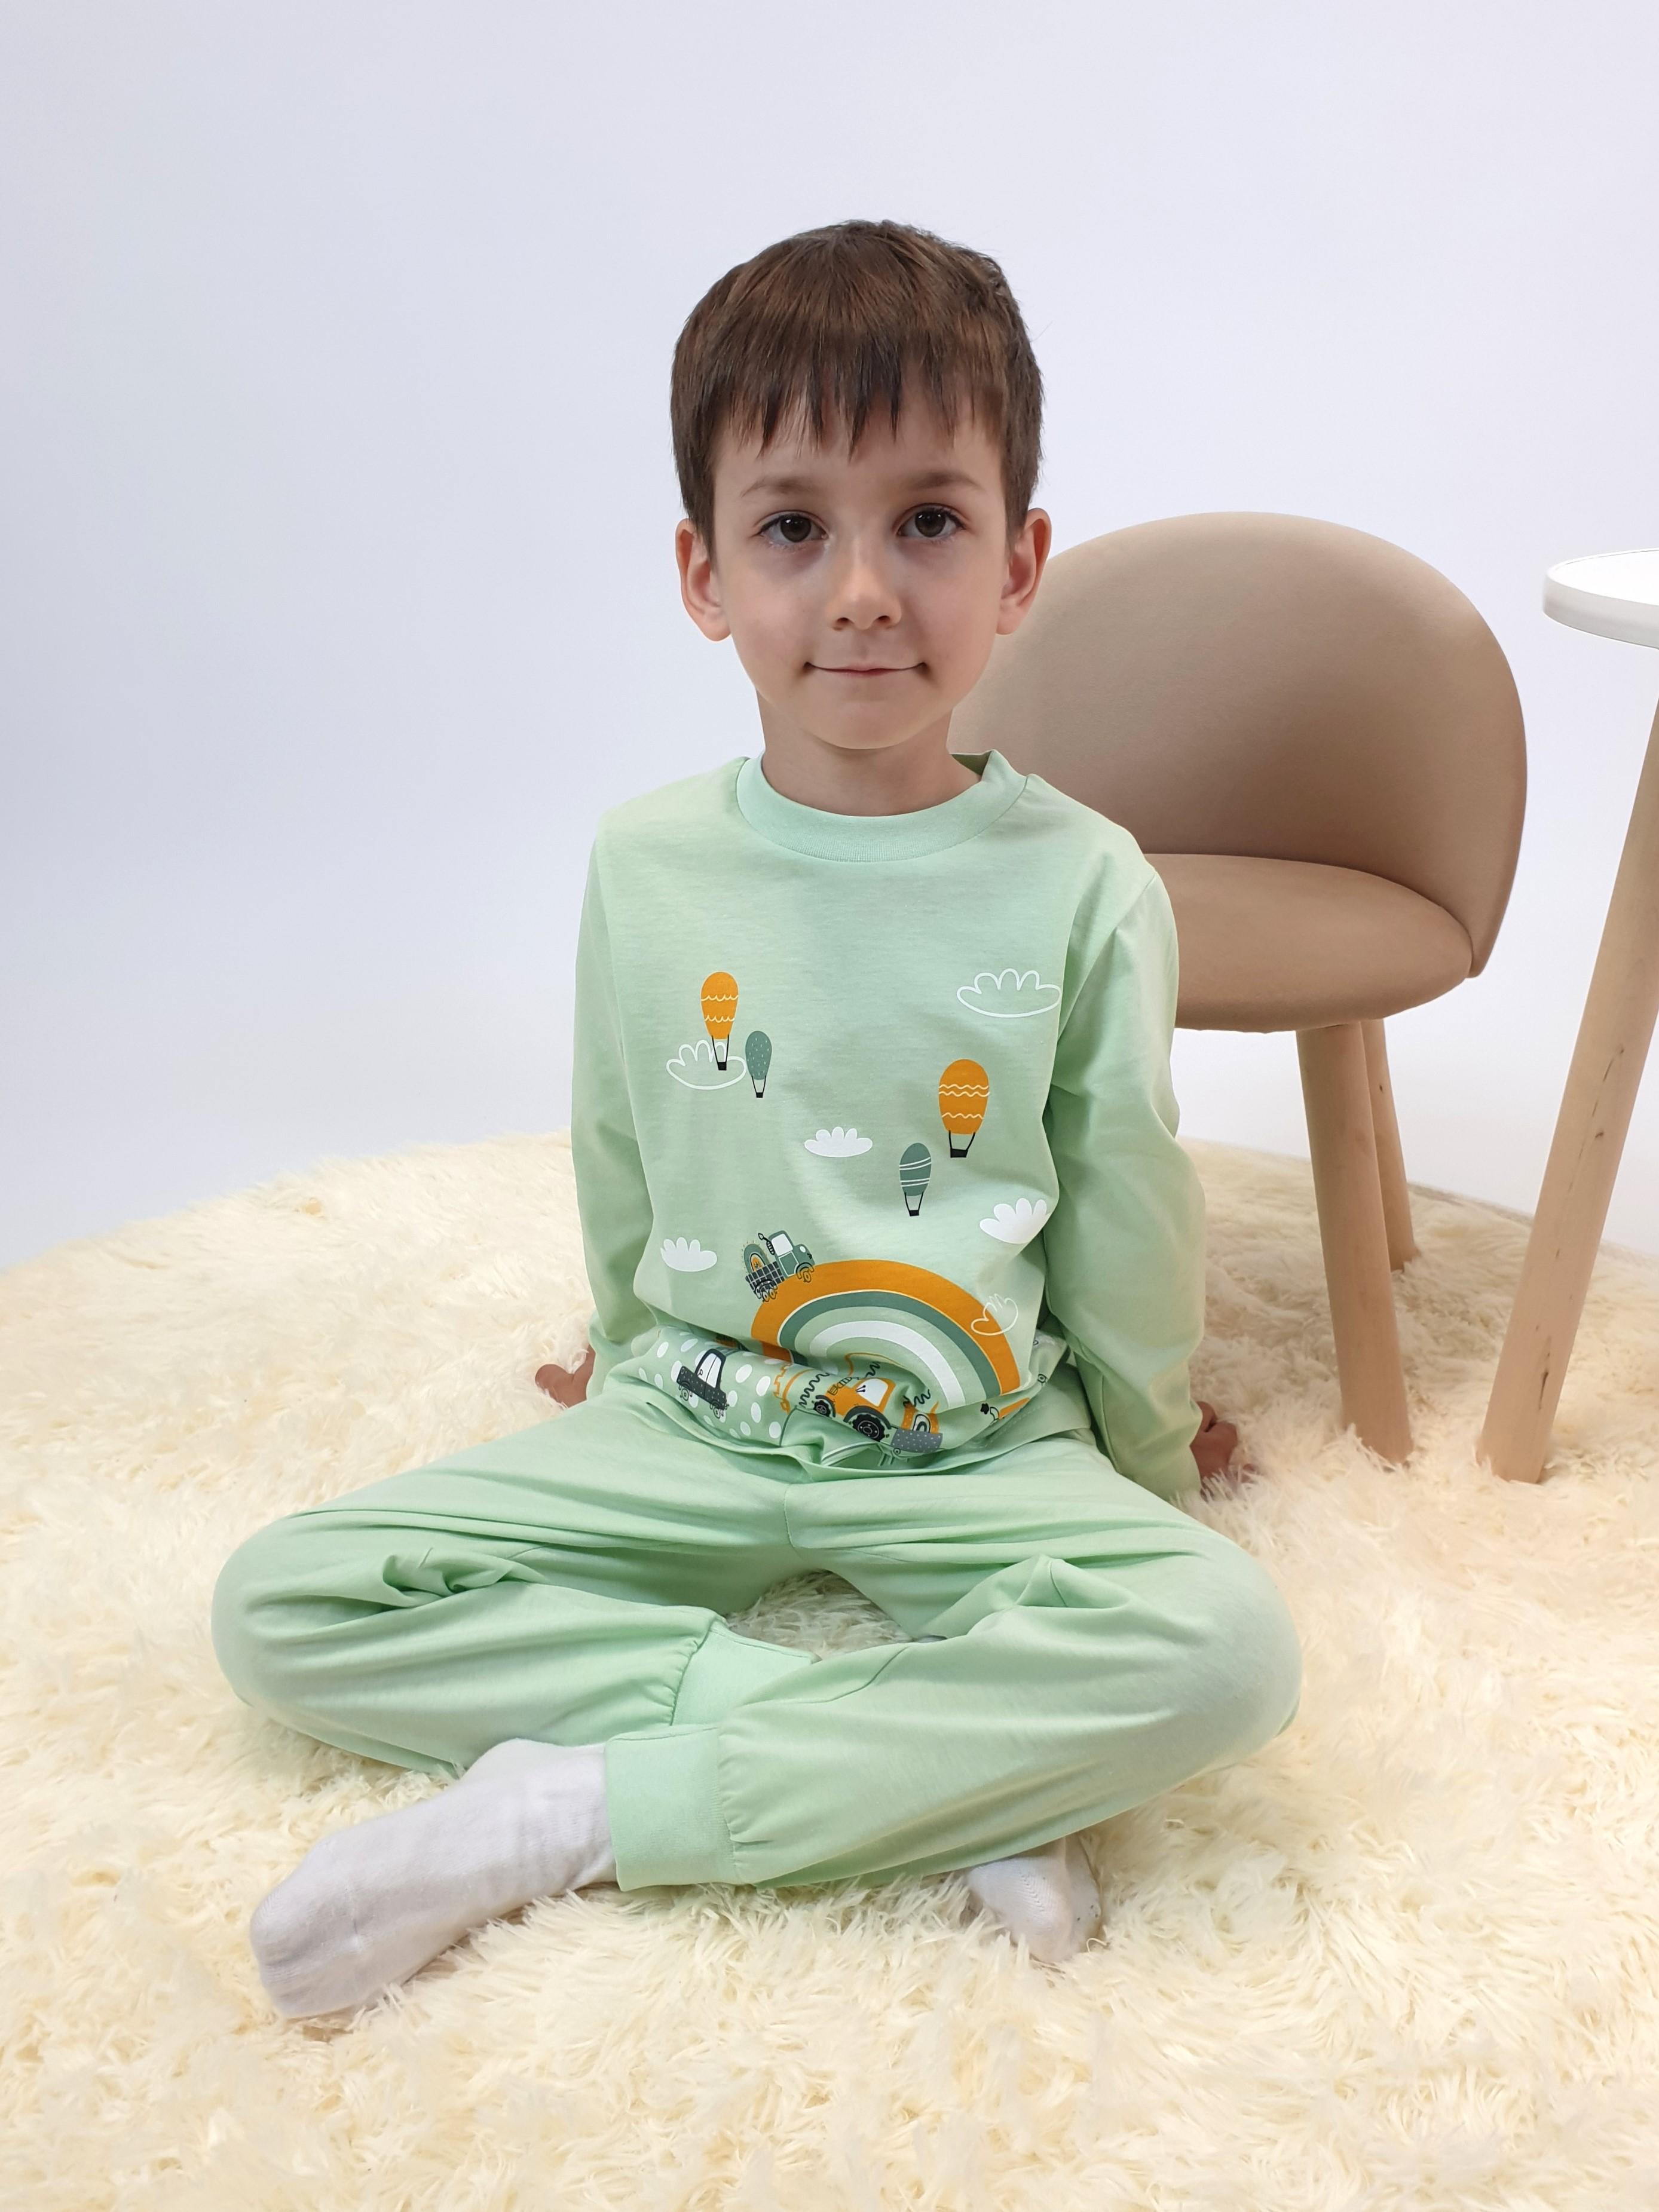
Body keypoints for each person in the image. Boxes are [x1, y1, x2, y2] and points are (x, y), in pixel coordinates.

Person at [212, 217, 1300, 2022]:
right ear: (703, 572)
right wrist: (621, 1340)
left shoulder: (1086, 878)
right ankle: (911, 1771)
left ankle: (583, 1807)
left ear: (1020, 565)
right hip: (691, 1418)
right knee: (284, 1602)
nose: (863, 589)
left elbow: (1125, 1190)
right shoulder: (647, 863)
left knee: (1229, 1648)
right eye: (795, 527)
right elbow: (621, 1139)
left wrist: (1152, 1448)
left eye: (929, 522)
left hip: (974, 1445)